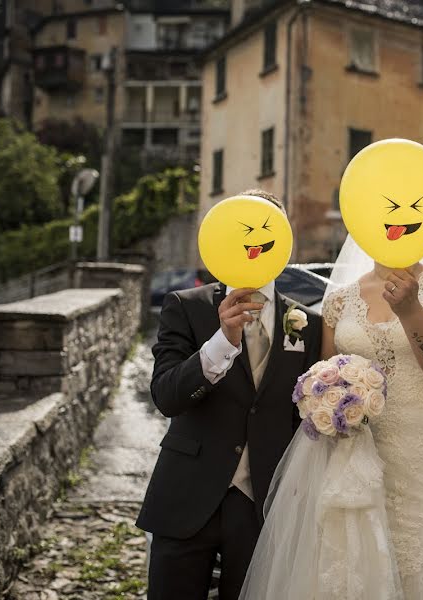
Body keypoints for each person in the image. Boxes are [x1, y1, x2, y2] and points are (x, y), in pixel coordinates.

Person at [240, 236, 423, 599]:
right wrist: (327, 405)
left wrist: (410, 310)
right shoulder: (340, 301)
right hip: (359, 471)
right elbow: (322, 379)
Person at [136, 189, 322, 600]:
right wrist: (223, 340)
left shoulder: (307, 323)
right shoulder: (186, 306)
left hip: (262, 506)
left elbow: (303, 418)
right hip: (187, 494)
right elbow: (166, 397)